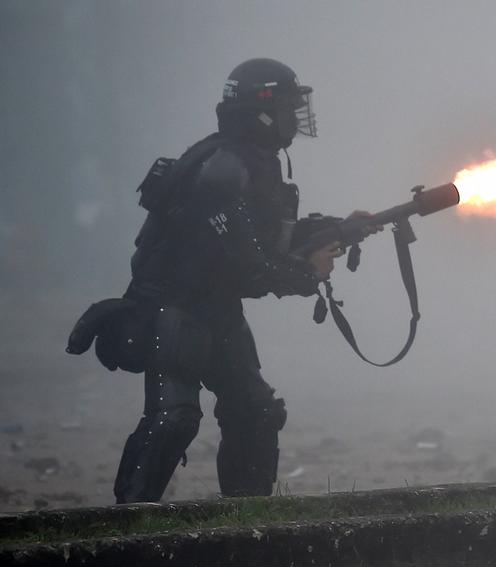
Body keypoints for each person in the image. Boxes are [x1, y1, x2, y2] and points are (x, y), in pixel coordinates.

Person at [110, 58, 372, 502]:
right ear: (262, 110)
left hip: (216, 309)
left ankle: (247, 516)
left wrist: (340, 228)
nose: (296, 117)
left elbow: (267, 238)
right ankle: (125, 528)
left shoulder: (254, 162)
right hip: (173, 310)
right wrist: (308, 272)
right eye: (289, 106)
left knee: (255, 411)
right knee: (172, 419)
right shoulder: (223, 170)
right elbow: (249, 267)